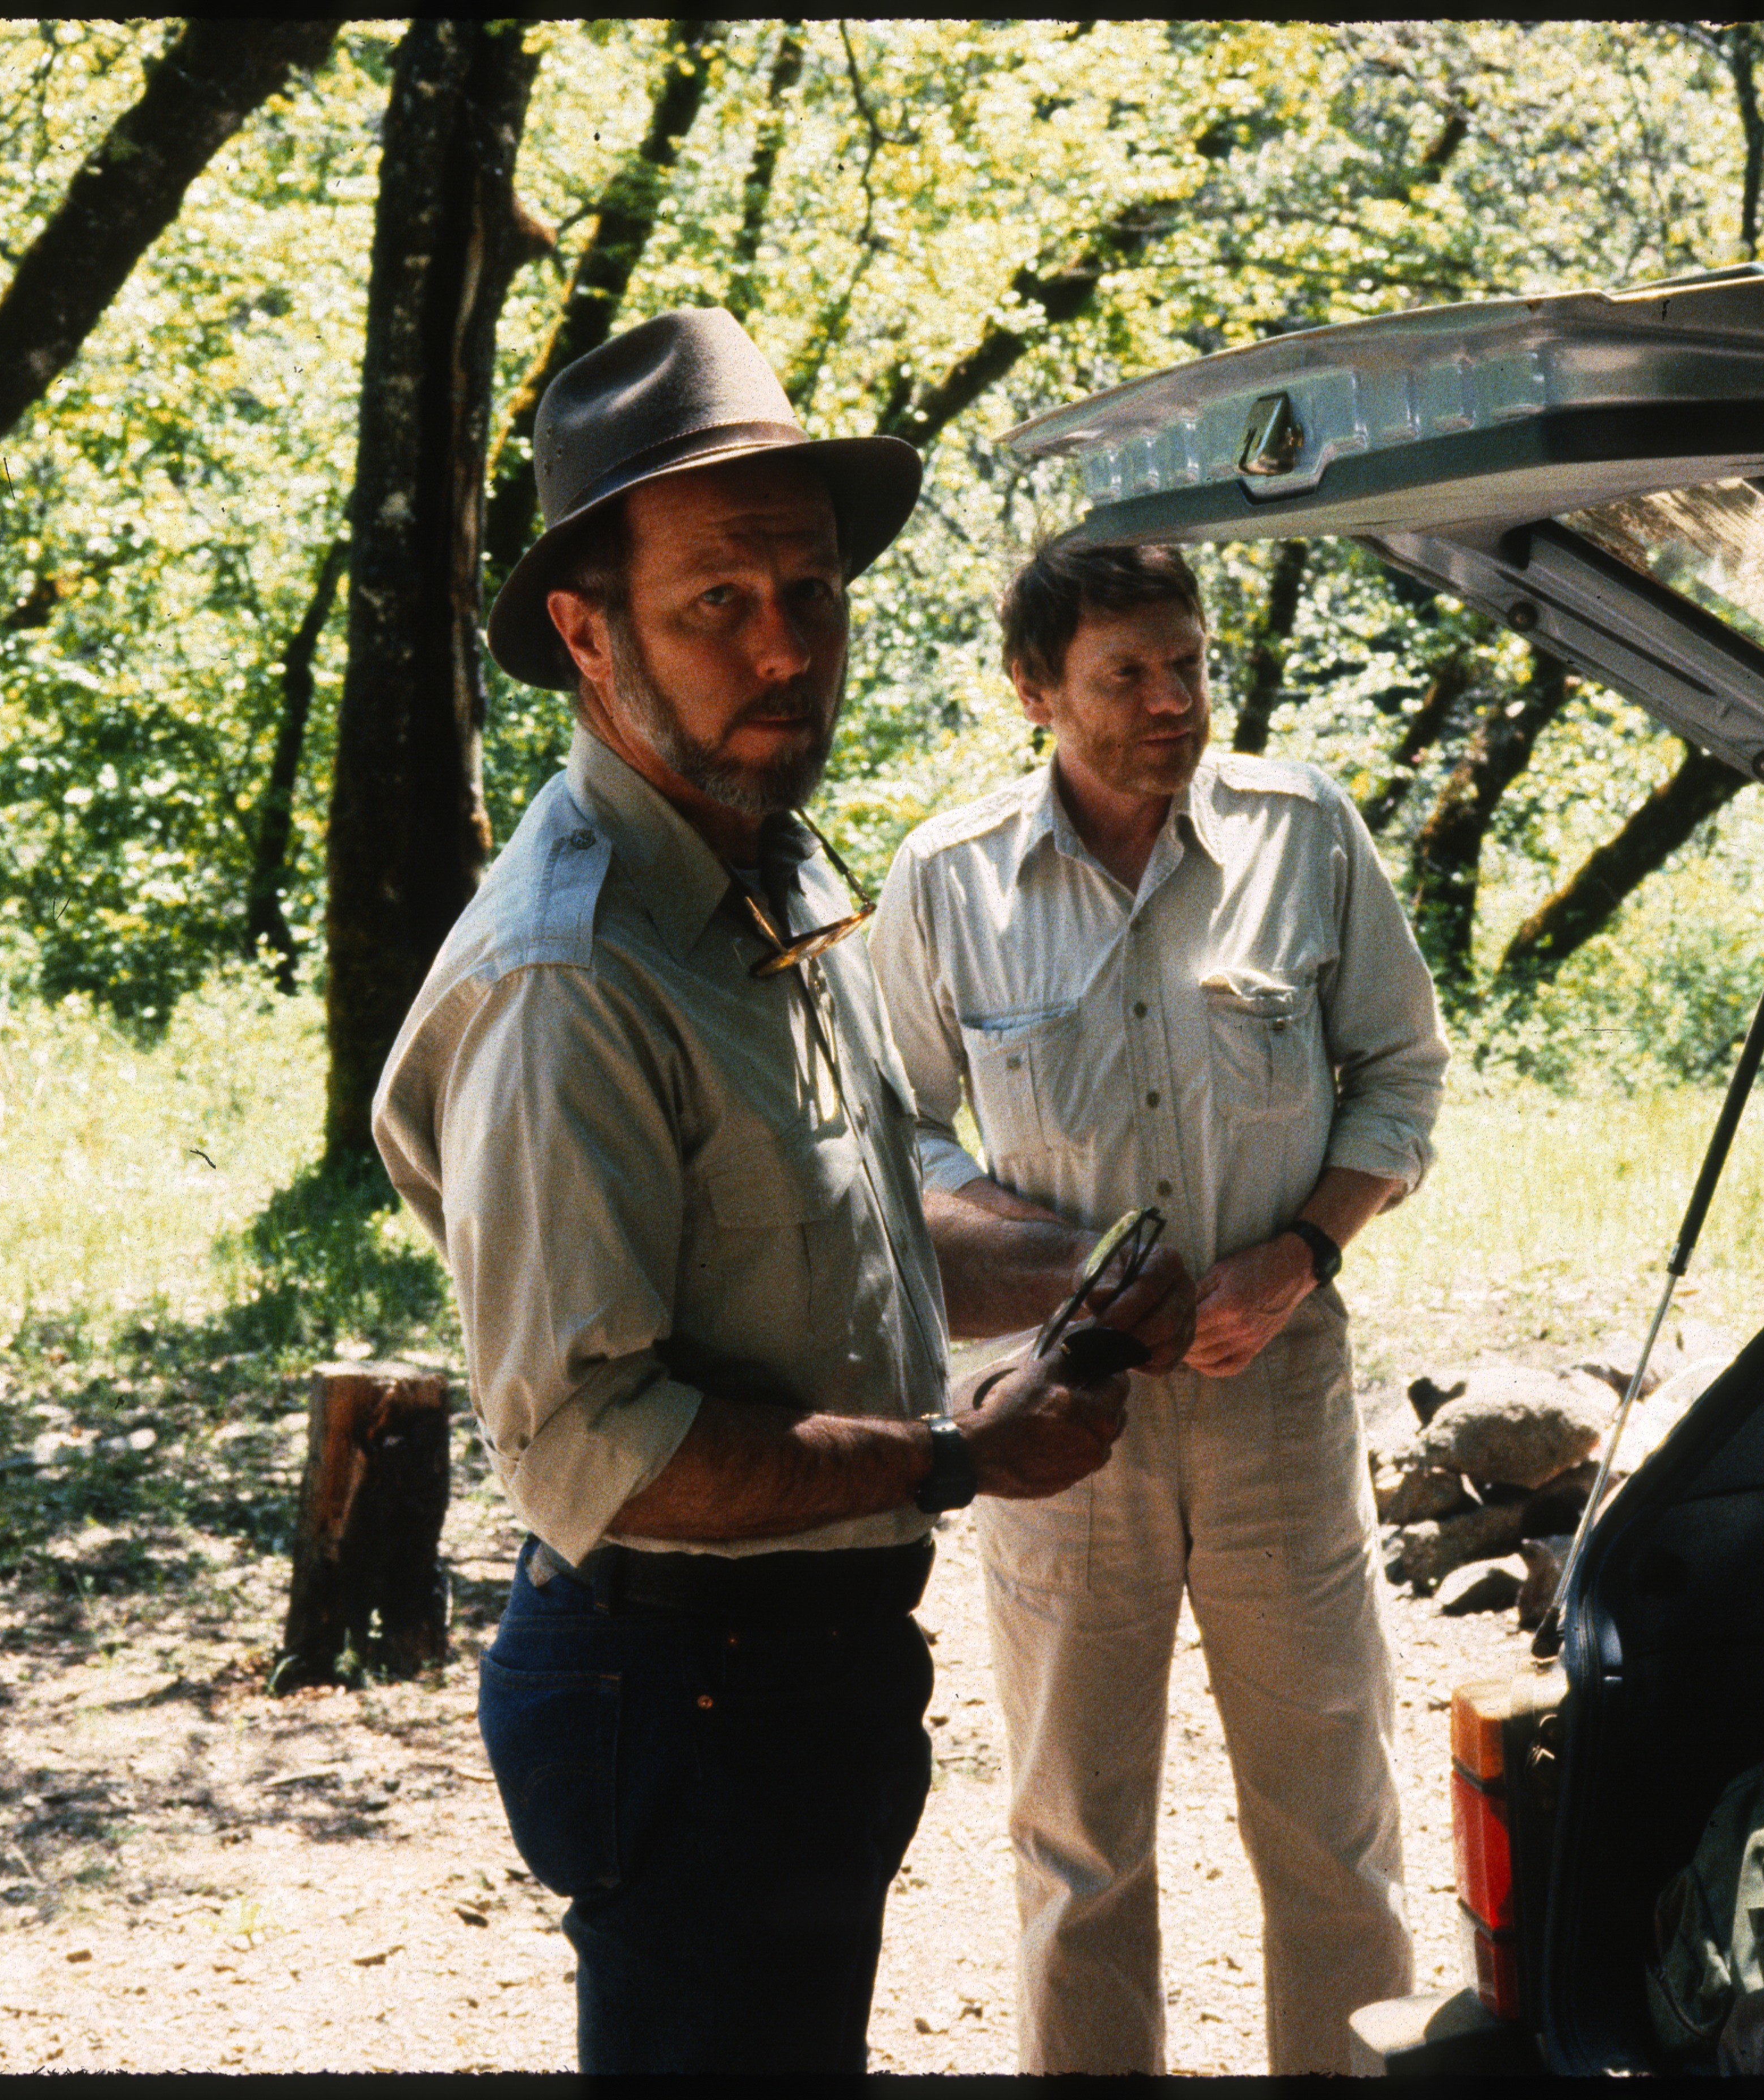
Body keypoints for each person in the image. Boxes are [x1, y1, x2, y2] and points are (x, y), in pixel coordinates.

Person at [370, 311, 1191, 2076]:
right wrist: (960, 1454)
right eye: (717, 602)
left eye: (811, 592)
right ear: (587, 634)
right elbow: (600, 1446)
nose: (784, 648)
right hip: (679, 1687)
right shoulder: (569, 975)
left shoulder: (770, 866)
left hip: (802, 1674)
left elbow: (863, 1212)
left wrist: (1080, 1274)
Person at [868, 536, 1452, 2073]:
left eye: (1188, 663)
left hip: (1280, 1396)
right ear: (1034, 692)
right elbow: (889, 1129)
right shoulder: (948, 877)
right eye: (1125, 674)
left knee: (1336, 1825)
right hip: (1057, 1415)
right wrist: (1053, 1260)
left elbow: (1402, 1074)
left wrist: (1304, 1250)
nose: (1173, 701)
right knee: (1077, 1842)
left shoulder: (1302, 832)